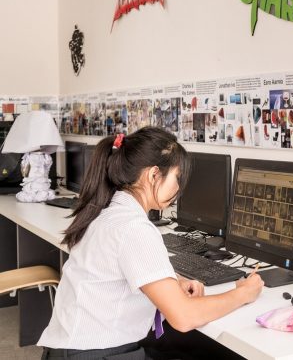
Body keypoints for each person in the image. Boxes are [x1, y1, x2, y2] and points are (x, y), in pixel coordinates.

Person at [38, 127, 264, 359]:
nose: (179, 189)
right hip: (95, 354)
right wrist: (243, 294)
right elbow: (184, 317)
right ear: (154, 175)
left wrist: (171, 280)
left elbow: (120, 267)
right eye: (177, 178)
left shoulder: (107, 212)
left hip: (70, 350)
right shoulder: (134, 228)